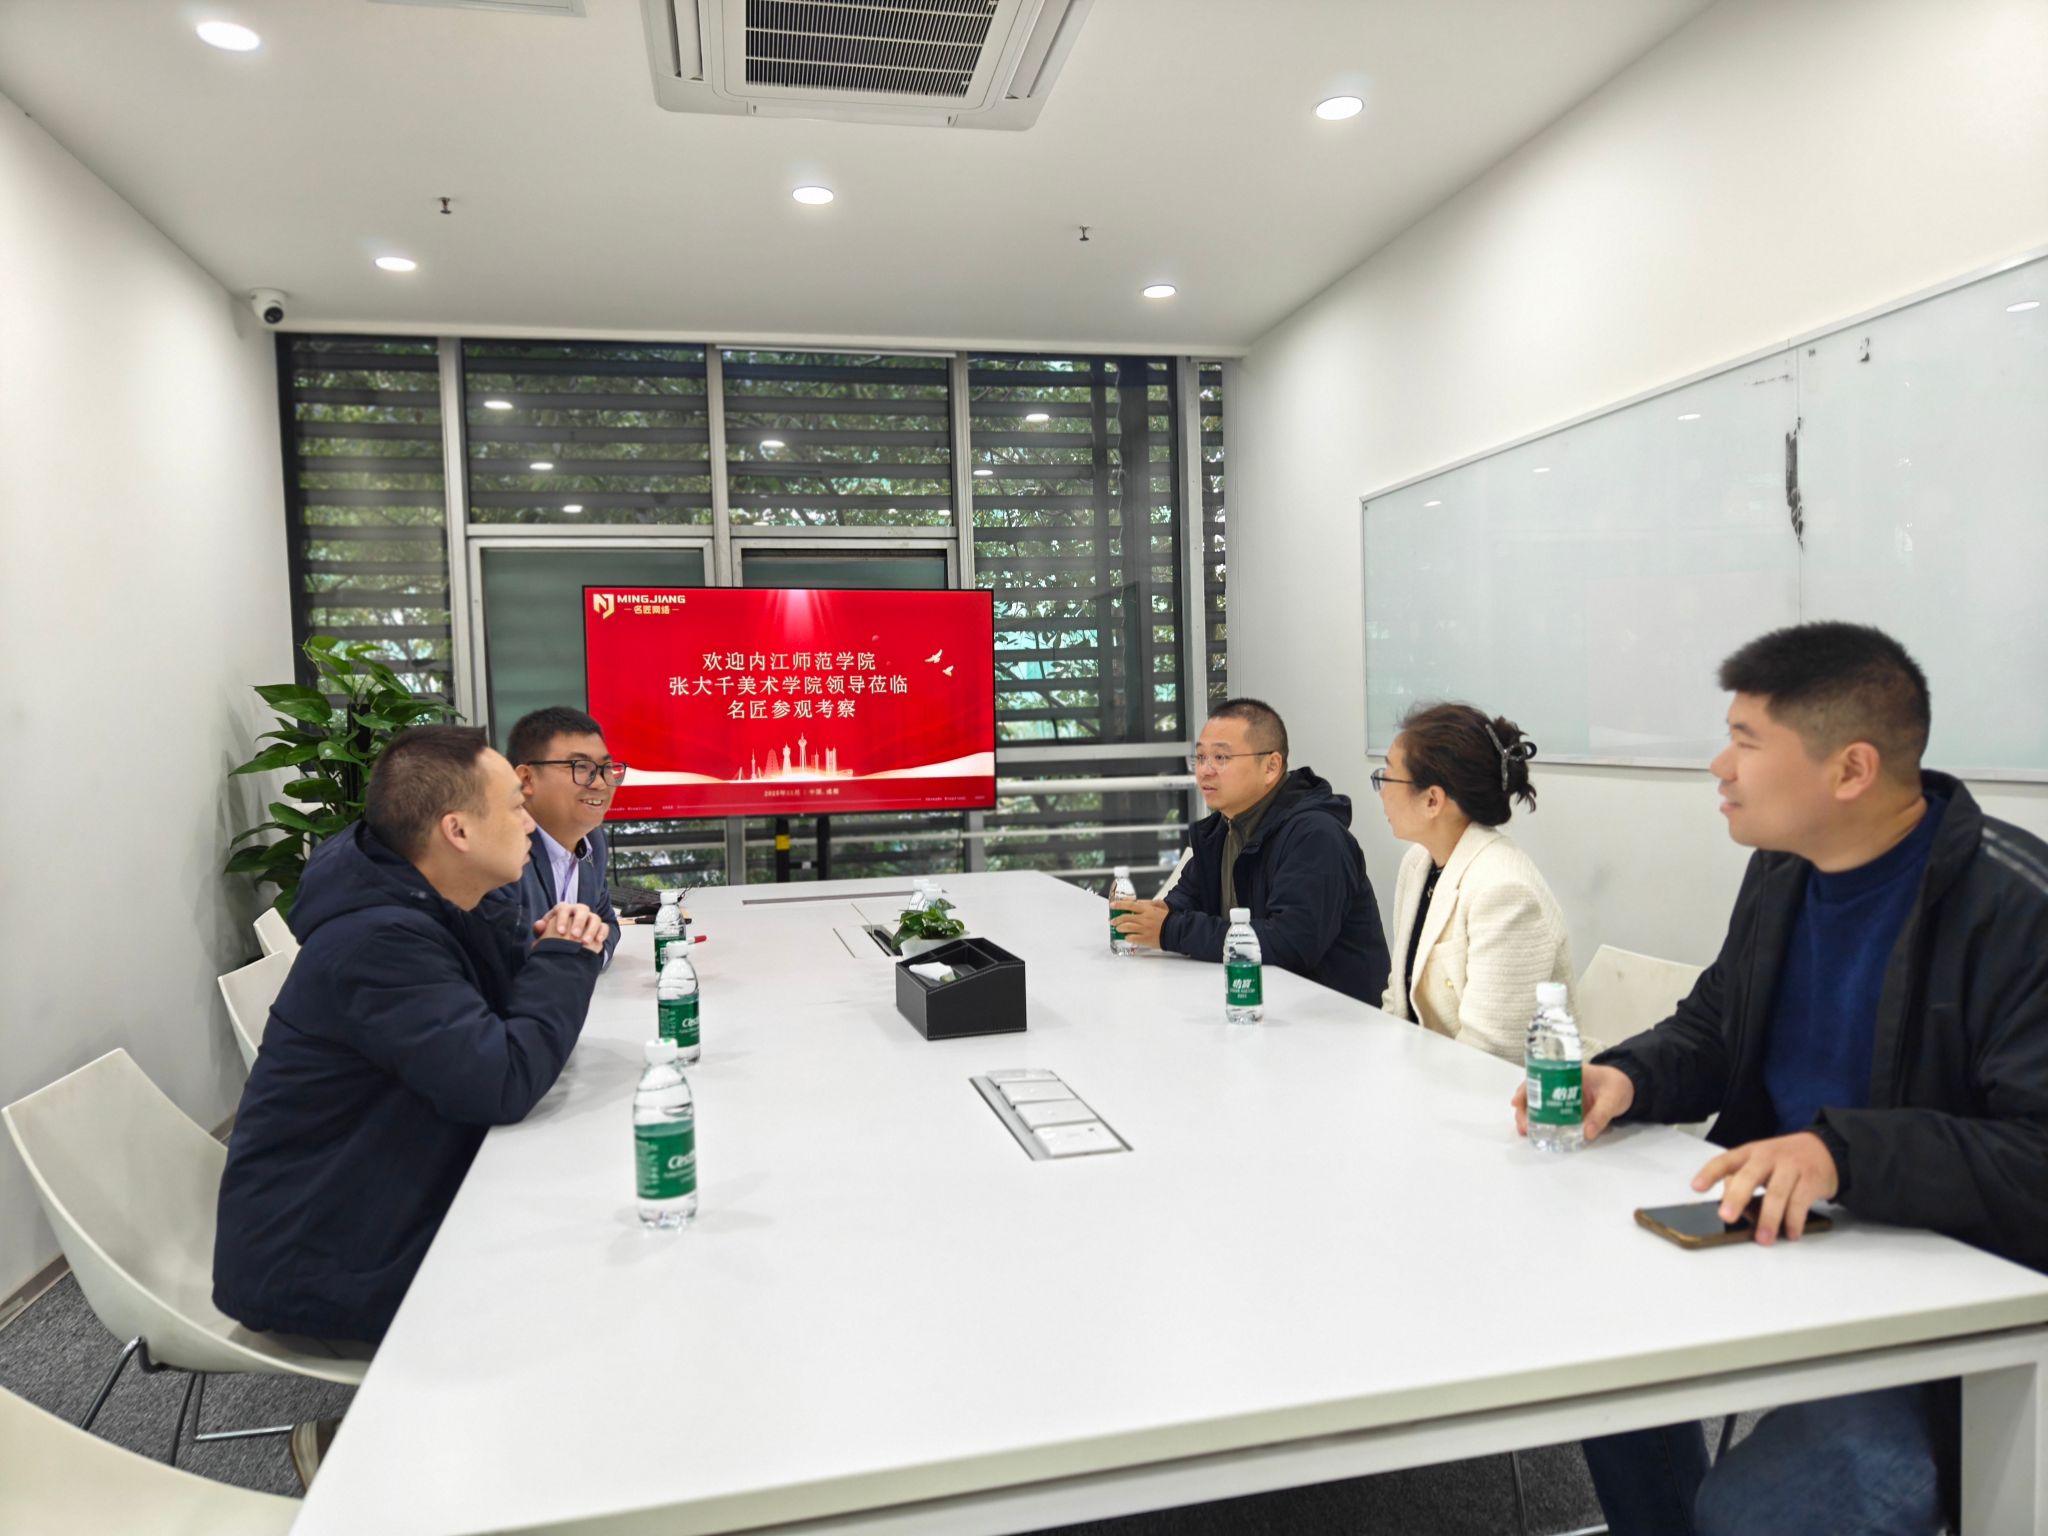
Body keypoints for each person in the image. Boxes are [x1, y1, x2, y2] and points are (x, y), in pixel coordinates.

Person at [1513, 622, 2048, 1536]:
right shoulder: (1783, 870)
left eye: (1747, 742)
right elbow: (1718, 1026)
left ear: (1851, 770)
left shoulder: (2013, 908)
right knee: (1589, 1352)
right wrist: (1626, 1076)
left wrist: (1842, 1155)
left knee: (1757, 1510)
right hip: (1792, 1247)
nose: (1719, 765)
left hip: (1947, 1308)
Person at [214, 726, 610, 1345]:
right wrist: (564, 957)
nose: (530, 824)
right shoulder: (376, 942)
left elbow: (497, 1025)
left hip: (384, 1193)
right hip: (325, 1254)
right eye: (515, 807)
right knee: (594, 1271)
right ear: (458, 831)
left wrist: (547, 957)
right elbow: (501, 1081)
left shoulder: (443, 902)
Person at [1113, 698, 1390, 1005]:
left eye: (1221, 757)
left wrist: (1170, 930)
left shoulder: (1316, 836)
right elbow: (1186, 900)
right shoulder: (1221, 829)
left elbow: (1290, 944)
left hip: (1335, 1017)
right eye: (1200, 757)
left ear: (1271, 767)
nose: (1204, 771)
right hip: (1260, 1003)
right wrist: (1157, 915)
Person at [1376, 702, 1573, 1062]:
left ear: (1432, 800)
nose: (1381, 791)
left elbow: (1491, 1052)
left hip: (1502, 1087)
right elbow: (1398, 1000)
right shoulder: (1418, 864)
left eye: (1387, 778)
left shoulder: (1505, 890)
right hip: (1429, 1074)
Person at [496, 705, 624, 967]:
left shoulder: (593, 840)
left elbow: (607, 924)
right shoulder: (500, 852)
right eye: (581, 766)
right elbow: (509, 958)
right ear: (526, 779)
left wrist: (587, 958)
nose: (600, 783)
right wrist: (571, 958)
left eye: (606, 768)